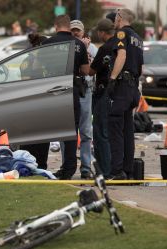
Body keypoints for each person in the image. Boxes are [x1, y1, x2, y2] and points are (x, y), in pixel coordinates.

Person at [42, 15, 89, 179]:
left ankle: (41, 165)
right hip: (71, 90)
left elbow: (37, 66)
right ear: (69, 27)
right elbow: (85, 70)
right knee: (70, 131)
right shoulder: (78, 45)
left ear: (56, 26)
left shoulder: (47, 43)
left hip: (49, 90)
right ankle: (68, 169)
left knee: (45, 128)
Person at [107, 9, 143, 180]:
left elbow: (121, 55)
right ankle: (128, 170)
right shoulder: (137, 37)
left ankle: (117, 170)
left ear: (120, 18)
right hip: (133, 87)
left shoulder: (121, 33)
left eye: (115, 17)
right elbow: (140, 65)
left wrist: (113, 78)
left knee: (115, 128)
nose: (114, 20)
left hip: (122, 86)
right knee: (128, 129)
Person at [88, 19, 117, 177]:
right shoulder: (119, 45)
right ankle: (114, 168)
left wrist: (85, 53)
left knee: (100, 133)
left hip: (103, 93)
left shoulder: (105, 48)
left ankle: (105, 171)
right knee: (113, 133)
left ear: (102, 32)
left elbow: (91, 71)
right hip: (117, 94)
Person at [70, 20, 97, 179]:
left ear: (83, 31)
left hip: (85, 90)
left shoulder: (92, 48)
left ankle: (86, 166)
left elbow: (91, 70)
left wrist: (85, 50)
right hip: (70, 89)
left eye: (78, 31)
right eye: (72, 31)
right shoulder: (66, 46)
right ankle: (68, 164)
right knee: (67, 131)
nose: (75, 33)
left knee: (86, 131)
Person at [19, 33, 50, 169]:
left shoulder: (46, 61)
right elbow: (27, 85)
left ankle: (42, 165)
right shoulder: (28, 61)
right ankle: (27, 165)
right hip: (31, 105)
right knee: (30, 138)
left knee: (44, 137)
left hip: (44, 104)